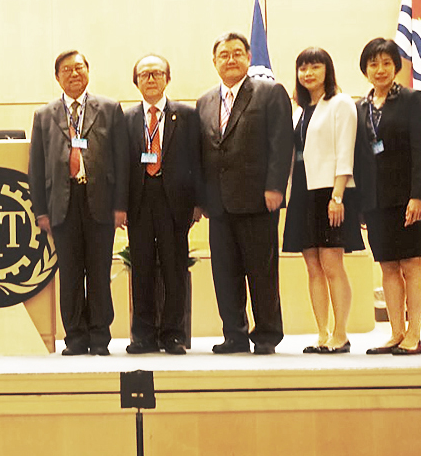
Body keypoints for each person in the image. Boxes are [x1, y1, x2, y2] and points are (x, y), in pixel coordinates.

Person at [196, 32, 293, 355]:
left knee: (261, 272)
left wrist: (276, 186)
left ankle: (266, 333)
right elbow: (203, 153)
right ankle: (234, 334)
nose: (231, 59)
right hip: (219, 204)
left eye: (238, 53)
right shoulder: (205, 101)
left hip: (258, 199)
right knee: (225, 274)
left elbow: (281, 144)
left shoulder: (269, 93)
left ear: (249, 58)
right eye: (224, 55)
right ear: (214, 62)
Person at [28, 50, 127, 356]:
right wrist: (41, 210)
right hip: (62, 203)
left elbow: (122, 160)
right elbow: (37, 166)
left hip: (99, 200)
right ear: (57, 77)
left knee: (98, 272)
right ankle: (75, 338)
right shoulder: (44, 116)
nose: (74, 74)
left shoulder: (109, 109)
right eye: (67, 70)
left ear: (88, 71)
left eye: (79, 68)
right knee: (70, 273)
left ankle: (100, 337)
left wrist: (120, 205)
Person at [354, 38, 421, 356]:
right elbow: (360, 157)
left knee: (412, 264)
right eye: (373, 63)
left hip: (409, 198)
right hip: (376, 200)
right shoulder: (361, 107)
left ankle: (414, 334)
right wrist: (361, 203)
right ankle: (395, 332)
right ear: (365, 70)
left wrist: (417, 195)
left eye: (386, 62)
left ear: (395, 67)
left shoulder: (412, 99)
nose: (380, 69)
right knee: (388, 266)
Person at [281, 48, 363, 354]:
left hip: (331, 191)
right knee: (312, 266)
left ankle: (341, 333)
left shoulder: (340, 103)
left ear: (327, 70)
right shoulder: (298, 110)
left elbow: (346, 151)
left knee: (332, 264)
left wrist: (338, 196)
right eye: (303, 68)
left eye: (315, 67)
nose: (308, 73)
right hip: (302, 190)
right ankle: (322, 333)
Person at [123, 53, 202, 356]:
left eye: (157, 73)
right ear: (137, 82)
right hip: (139, 202)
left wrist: (197, 203)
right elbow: (119, 165)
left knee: (174, 269)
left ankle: (172, 334)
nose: (151, 79)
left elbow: (198, 161)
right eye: (144, 75)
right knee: (141, 269)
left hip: (175, 203)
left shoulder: (187, 115)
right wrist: (120, 206)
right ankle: (142, 335)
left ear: (168, 78)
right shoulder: (126, 118)